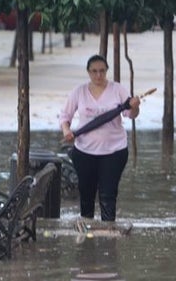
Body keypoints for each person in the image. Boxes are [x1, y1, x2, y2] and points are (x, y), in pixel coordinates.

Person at [59, 54, 141, 224]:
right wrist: (66, 130)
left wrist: (135, 107)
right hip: (84, 151)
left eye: (102, 71)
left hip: (114, 150)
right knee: (86, 192)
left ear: (107, 71)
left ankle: (108, 231)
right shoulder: (79, 92)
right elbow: (65, 115)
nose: (98, 75)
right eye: (94, 71)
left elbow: (130, 114)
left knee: (108, 193)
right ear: (88, 72)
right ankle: (87, 228)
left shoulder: (118, 90)